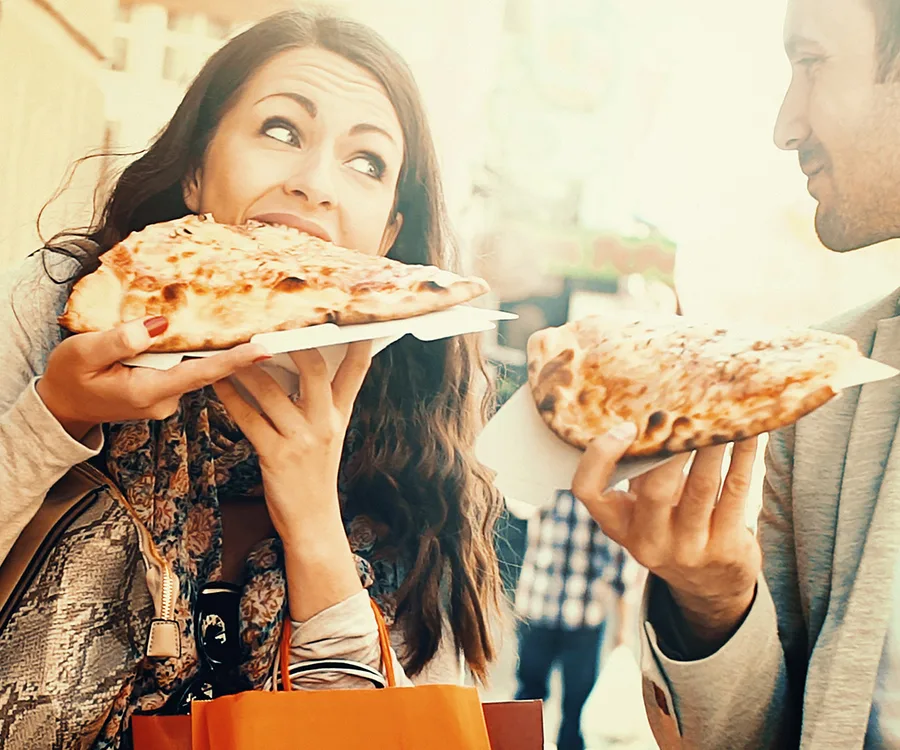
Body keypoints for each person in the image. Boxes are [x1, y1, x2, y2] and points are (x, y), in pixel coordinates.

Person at [0, 9, 503, 747]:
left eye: (367, 162)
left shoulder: (421, 433)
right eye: (281, 130)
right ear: (196, 170)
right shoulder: (62, 310)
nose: (315, 185)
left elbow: (398, 733)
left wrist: (314, 521)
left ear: (387, 238)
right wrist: (55, 419)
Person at [569, 0, 900, 746]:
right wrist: (715, 601)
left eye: (812, 62)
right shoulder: (824, 391)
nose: (786, 126)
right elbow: (763, 734)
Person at [513, 489, 634, 750]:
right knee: (529, 696)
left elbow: (620, 565)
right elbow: (516, 504)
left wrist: (622, 627)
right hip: (540, 610)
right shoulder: (545, 488)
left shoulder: (607, 497)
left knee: (574, 703)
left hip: (581, 616)